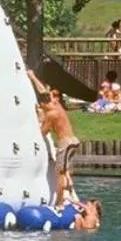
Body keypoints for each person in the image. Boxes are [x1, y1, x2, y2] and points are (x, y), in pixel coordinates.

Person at [30, 72, 81, 205]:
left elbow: (43, 132)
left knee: (61, 173)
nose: (41, 106)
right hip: (73, 141)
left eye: (41, 105)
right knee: (66, 171)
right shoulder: (55, 104)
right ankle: (70, 195)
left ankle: (59, 204)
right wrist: (33, 77)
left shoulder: (51, 114)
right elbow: (44, 91)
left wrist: (39, 118)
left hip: (65, 143)